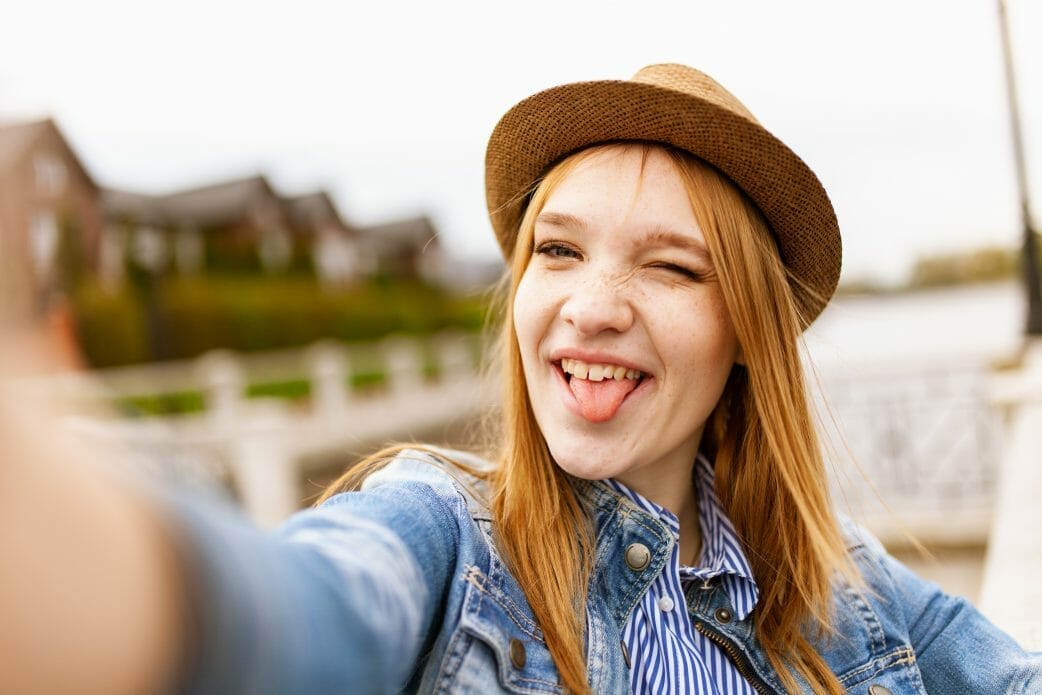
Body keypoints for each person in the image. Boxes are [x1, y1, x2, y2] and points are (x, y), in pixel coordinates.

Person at [1, 63, 1040, 695]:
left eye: (672, 264)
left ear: (745, 336)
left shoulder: (841, 585)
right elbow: (279, 616)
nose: (590, 304)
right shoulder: (443, 541)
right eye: (557, 250)